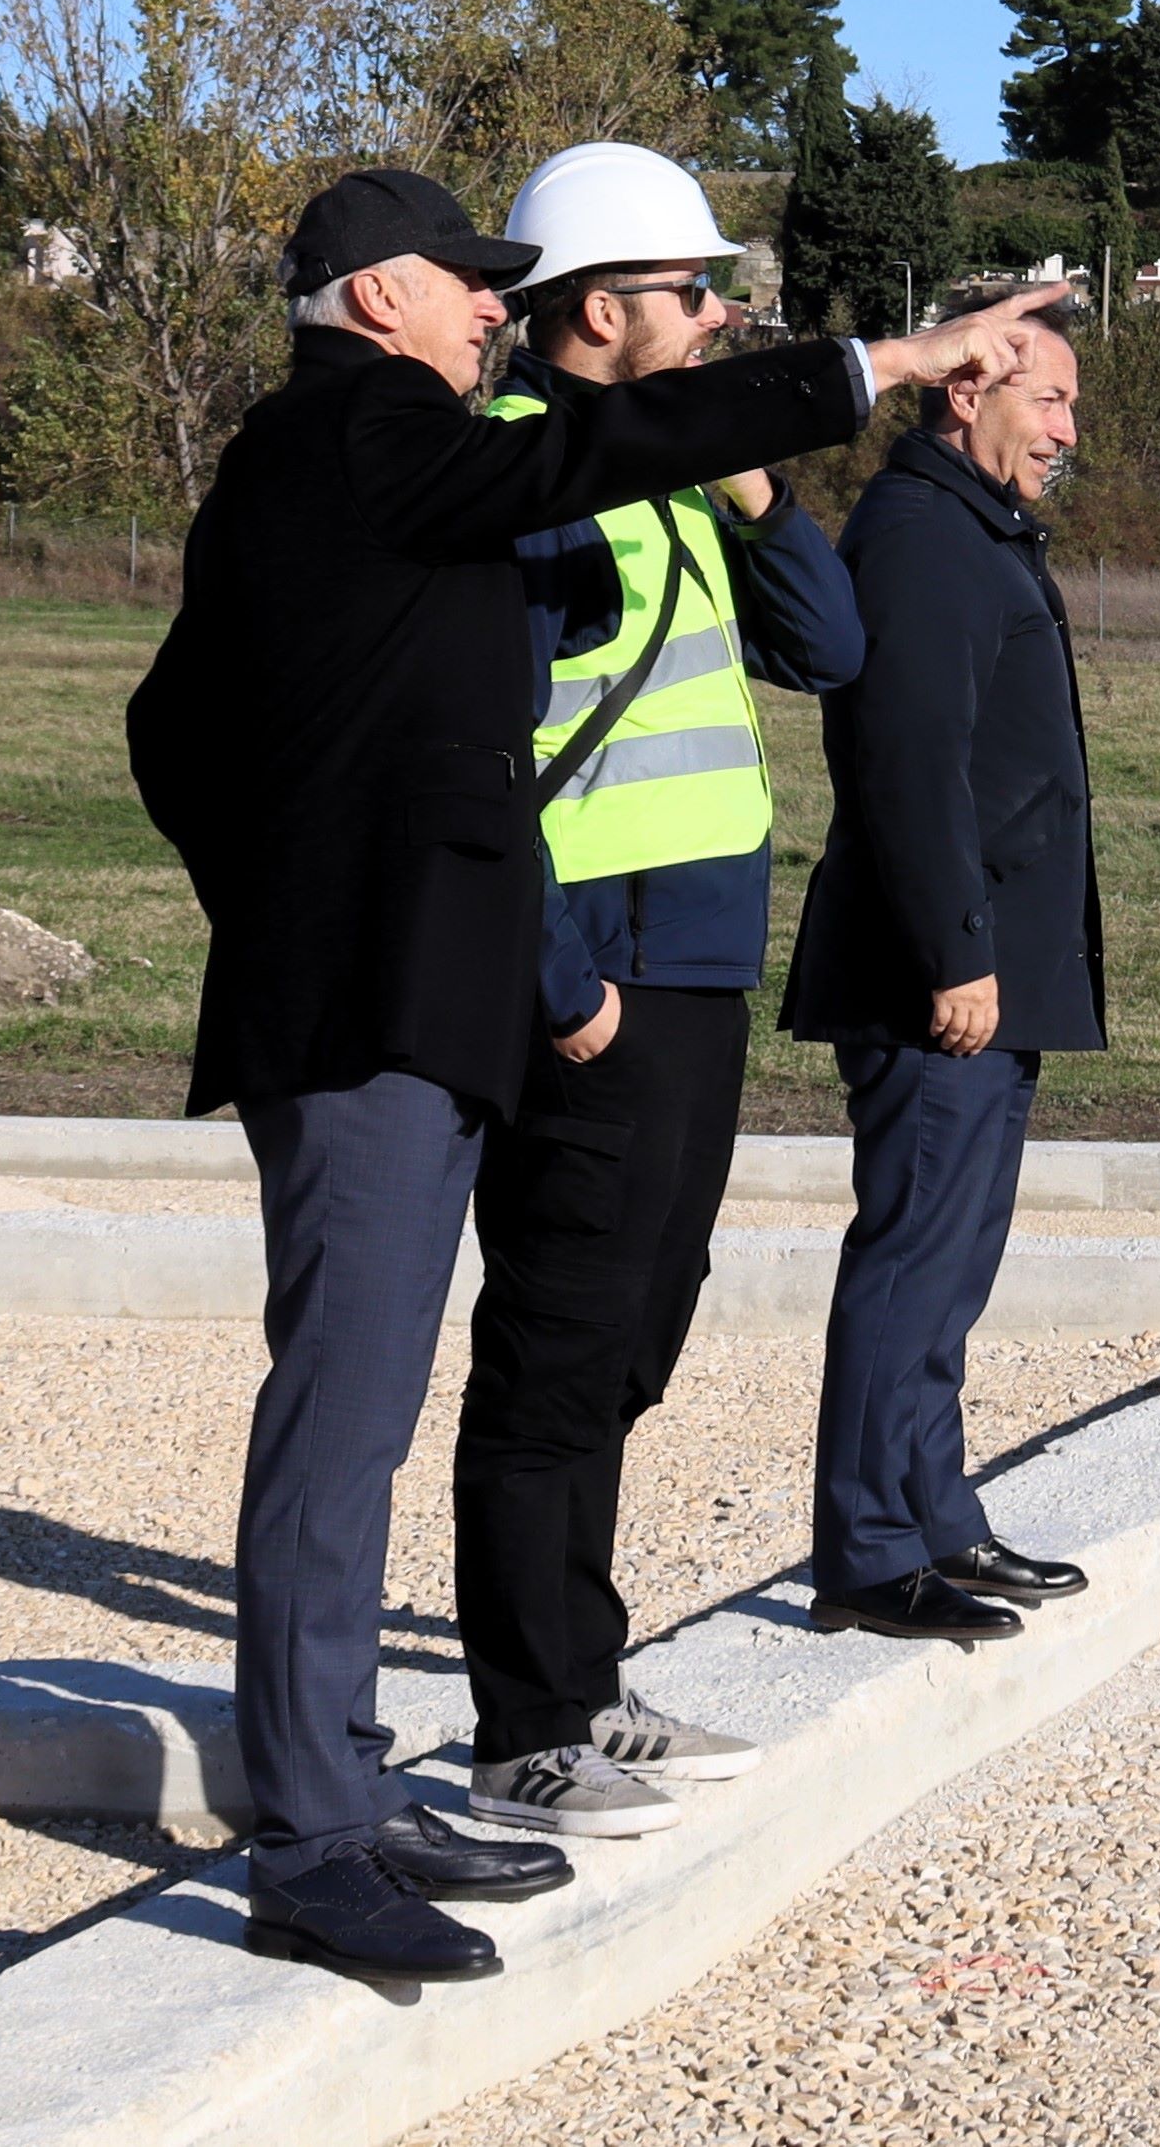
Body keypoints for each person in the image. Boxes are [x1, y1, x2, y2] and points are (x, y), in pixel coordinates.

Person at [126, 164, 1037, 1986]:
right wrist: (891, 359)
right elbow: (558, 474)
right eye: (467, 283)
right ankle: (310, 1840)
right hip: (373, 1013)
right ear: (378, 295)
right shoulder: (352, 435)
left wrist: (308, 878)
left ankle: (350, 1793)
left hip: (403, 992)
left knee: (380, 1404)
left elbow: (177, 728)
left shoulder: (381, 447)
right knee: (344, 1419)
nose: (489, 307)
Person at [448, 143, 863, 1846]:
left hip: (694, 960)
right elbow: (472, 753)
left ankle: (588, 1683)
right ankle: (523, 1723)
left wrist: (759, 480)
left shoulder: (692, 475)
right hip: (593, 973)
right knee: (555, 1338)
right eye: (691, 293)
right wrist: (558, 986)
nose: (715, 317)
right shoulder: (509, 480)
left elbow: (826, 645)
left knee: (634, 1328)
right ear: (602, 310)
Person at [783, 308, 1102, 1644]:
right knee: (913, 1256)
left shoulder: (972, 530)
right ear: (964, 390)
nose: (1066, 432)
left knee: (953, 1263)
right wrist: (953, 955)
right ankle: (866, 1552)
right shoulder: (920, 540)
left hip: (992, 963)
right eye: (1048, 403)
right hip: (942, 977)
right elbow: (905, 767)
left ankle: (936, 1518)